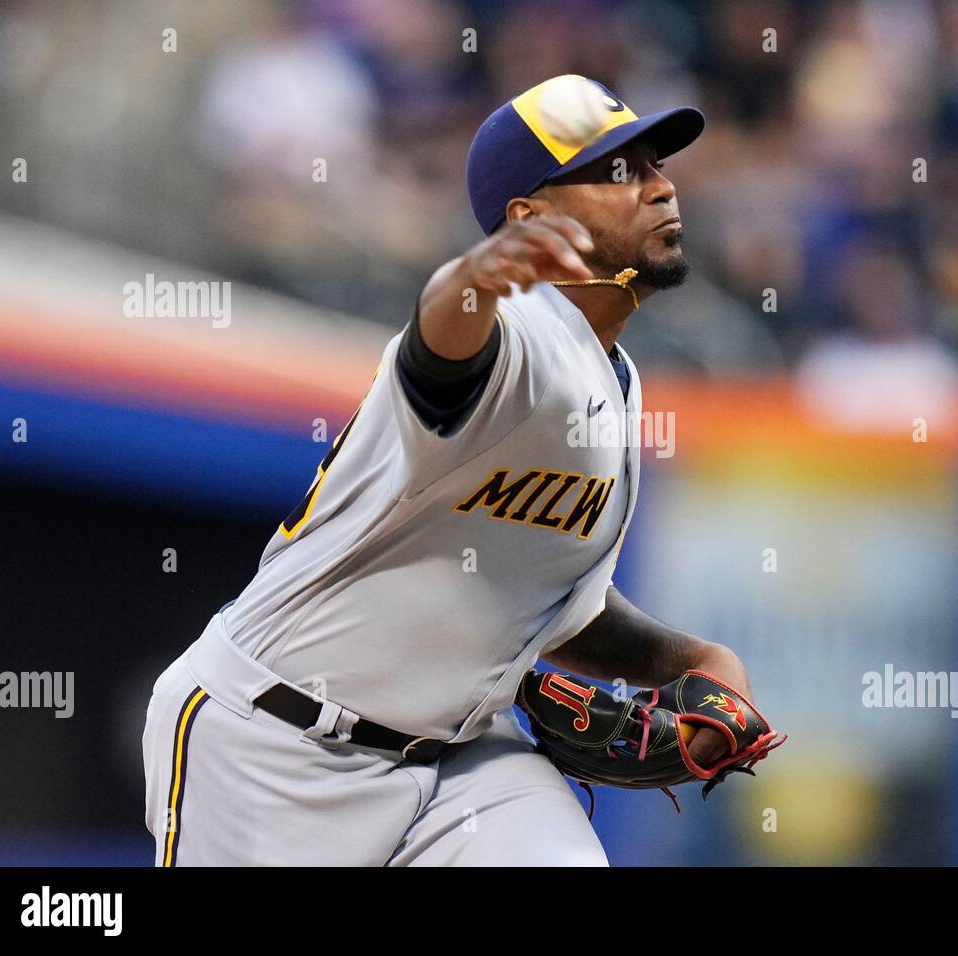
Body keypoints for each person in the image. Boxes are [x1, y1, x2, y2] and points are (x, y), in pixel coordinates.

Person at [141, 75, 756, 866]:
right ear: (528, 220)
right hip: (273, 747)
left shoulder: (615, 376)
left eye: (653, 164)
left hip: (465, 763)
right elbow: (441, 346)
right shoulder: (516, 340)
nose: (660, 184)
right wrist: (475, 277)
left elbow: (563, 611)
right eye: (618, 171)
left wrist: (694, 663)